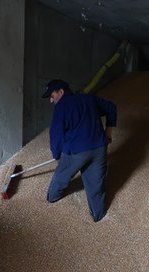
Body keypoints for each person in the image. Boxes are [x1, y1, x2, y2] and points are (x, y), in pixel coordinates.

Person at [42, 79, 117, 222]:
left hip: (76, 152)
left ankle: (50, 200)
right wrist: (108, 131)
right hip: (99, 149)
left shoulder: (61, 106)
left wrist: (57, 155)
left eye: (52, 96)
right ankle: (98, 216)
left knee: (60, 177)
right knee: (95, 186)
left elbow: (56, 135)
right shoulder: (88, 99)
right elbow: (111, 108)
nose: (51, 100)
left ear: (61, 92)